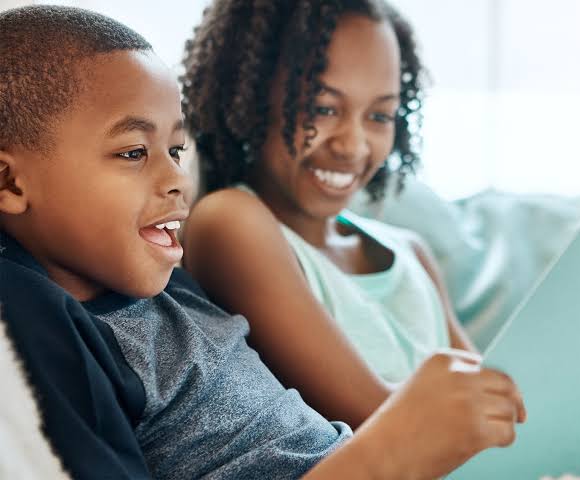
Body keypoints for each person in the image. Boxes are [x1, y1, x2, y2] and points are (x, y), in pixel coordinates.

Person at [0, 5, 525, 480]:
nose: (177, 178)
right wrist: (391, 451)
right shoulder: (34, 312)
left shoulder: (167, 291)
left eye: (176, 149)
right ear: (10, 184)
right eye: (135, 152)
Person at [182, 0, 475, 427]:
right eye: (323, 108)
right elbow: (382, 423)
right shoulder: (230, 223)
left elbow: (500, 398)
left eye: (379, 115)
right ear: (250, 96)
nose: (353, 146)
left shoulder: (411, 252)